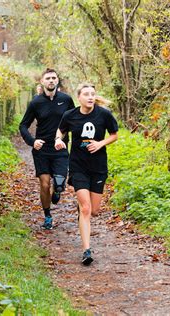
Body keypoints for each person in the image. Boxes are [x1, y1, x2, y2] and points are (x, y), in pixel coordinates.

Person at [54, 83, 118, 265]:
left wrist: (100, 144)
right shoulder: (70, 115)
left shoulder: (103, 114)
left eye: (93, 94)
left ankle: (83, 211)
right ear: (79, 98)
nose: (90, 97)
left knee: (95, 210)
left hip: (98, 167)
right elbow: (61, 130)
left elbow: (114, 135)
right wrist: (58, 140)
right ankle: (86, 250)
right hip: (78, 166)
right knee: (86, 209)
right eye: (86, 94)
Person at [19, 68, 75, 229]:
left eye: (53, 78)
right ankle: (48, 216)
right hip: (42, 149)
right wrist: (32, 141)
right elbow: (23, 125)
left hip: (60, 148)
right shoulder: (36, 103)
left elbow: (74, 121)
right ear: (42, 82)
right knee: (44, 184)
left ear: (57, 81)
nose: (51, 80)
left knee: (58, 183)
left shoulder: (66, 100)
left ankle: (57, 190)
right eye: (48, 78)